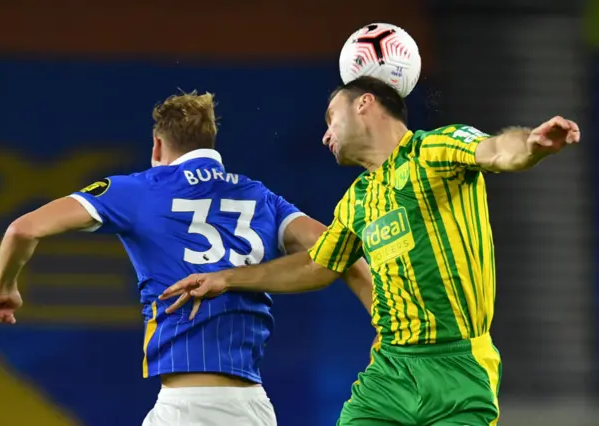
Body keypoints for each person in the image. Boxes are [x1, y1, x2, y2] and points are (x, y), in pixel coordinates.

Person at [160, 76, 581, 426]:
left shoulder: (434, 151)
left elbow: (494, 151)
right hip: (390, 373)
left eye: (330, 118)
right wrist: (226, 278)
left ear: (363, 103)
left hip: (459, 369)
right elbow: (315, 265)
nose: (325, 134)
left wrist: (531, 145)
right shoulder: (356, 201)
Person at [0, 90, 374, 426]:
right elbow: (342, 252)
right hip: (253, 407)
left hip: (186, 408)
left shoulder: (136, 190)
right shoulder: (261, 197)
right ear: (211, 143)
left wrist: (3, 288)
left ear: (157, 145)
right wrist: (384, 323)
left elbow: (23, 229)